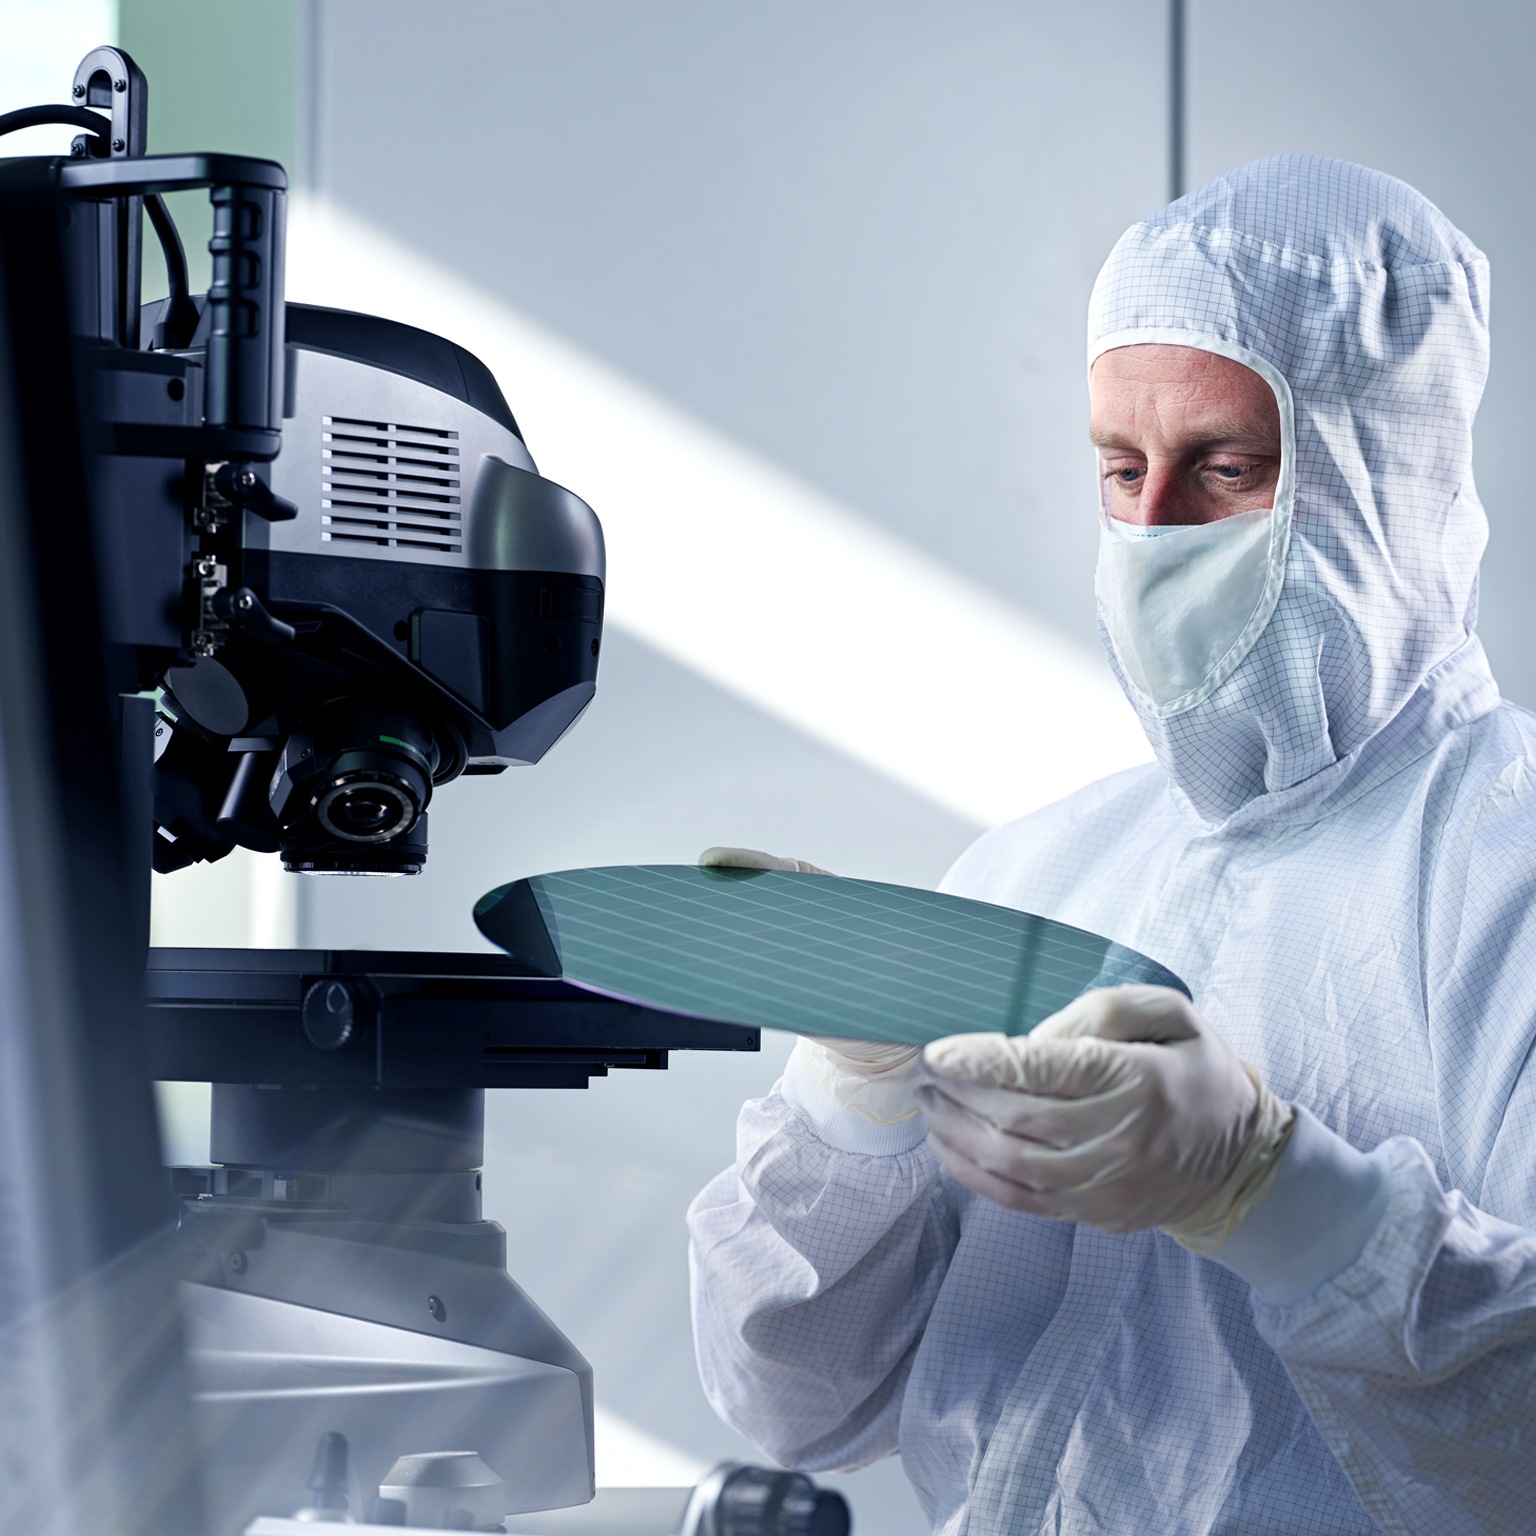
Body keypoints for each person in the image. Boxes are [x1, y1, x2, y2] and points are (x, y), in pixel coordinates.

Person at [686, 155, 1536, 1535]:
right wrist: (854, 1092)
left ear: (1386, 474)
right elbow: (794, 1405)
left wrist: (1278, 1192)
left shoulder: (1507, 884)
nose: (1151, 534)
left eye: (1224, 468)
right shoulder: (1033, 871)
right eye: (1121, 471)